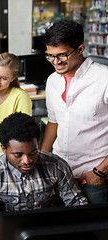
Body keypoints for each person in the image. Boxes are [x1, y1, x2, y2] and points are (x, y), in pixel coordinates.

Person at [0, 112, 87, 239]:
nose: (27, 161)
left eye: (33, 152)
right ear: (4, 149)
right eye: (18, 155)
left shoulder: (56, 166)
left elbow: (77, 203)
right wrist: (19, 234)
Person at [41, 20, 108, 204]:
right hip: (60, 175)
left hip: (94, 177)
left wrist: (100, 171)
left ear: (80, 49)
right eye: (50, 56)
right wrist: (42, 160)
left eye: (62, 55)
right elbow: (54, 122)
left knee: (96, 230)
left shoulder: (104, 78)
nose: (56, 62)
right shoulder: (52, 80)